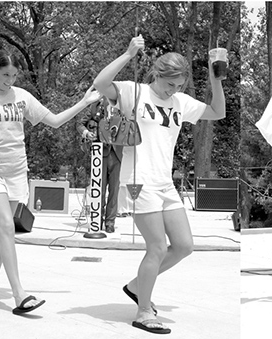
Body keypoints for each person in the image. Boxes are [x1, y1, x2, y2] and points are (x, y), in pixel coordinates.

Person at [93, 36, 225, 334]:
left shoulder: (180, 102)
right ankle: (142, 310)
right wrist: (128, 53)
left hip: (165, 183)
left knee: (183, 246)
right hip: (139, 180)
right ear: (156, 75)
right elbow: (101, 83)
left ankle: (137, 285)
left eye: (179, 85)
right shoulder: (134, 92)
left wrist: (216, 78)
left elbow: (217, 112)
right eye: (170, 84)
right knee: (156, 248)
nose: (174, 90)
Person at [0, 50, 99, 314]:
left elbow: (56, 121)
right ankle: (19, 295)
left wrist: (84, 102)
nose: (10, 80)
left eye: (14, 75)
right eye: (5, 75)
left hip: (16, 170)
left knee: (1, 233)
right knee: (4, 224)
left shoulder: (23, 97)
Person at [76, 98, 122, 233]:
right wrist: (86, 133)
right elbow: (80, 123)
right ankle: (97, 219)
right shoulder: (94, 106)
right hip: (99, 152)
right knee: (98, 189)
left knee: (114, 190)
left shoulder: (122, 105)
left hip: (117, 153)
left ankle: (110, 222)